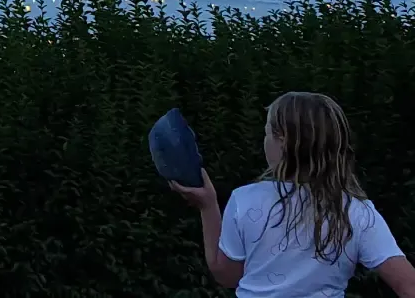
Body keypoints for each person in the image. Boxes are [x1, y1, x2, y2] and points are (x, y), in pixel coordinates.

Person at [171, 91, 415, 296]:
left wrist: (208, 207)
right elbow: (409, 286)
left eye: (267, 132)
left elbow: (226, 275)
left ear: (282, 140)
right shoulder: (356, 210)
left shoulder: (245, 200)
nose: (264, 140)